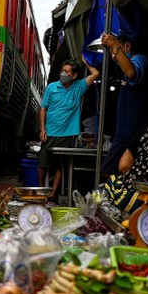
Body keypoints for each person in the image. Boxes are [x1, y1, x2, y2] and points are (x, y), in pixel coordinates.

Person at [38, 59, 100, 200]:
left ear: (74, 76)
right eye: (62, 71)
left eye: (67, 72)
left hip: (67, 135)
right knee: (42, 164)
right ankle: (41, 192)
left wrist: (86, 60)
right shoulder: (52, 88)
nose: (63, 74)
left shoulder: (79, 87)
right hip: (49, 132)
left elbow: (96, 73)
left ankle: (53, 194)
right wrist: (42, 129)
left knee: (60, 166)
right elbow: (43, 108)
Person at [100, 31, 148, 176]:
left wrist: (114, 45)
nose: (113, 55)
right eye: (111, 51)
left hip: (131, 131)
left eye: (115, 50)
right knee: (117, 169)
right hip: (125, 132)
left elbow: (131, 73)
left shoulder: (139, 59)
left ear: (127, 46)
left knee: (109, 169)